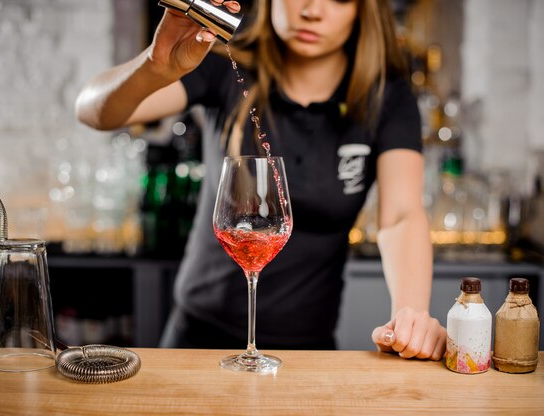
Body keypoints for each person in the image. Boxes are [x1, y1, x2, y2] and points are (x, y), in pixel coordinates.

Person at [76, 0, 446, 360]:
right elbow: (94, 112)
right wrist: (155, 66)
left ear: (364, 9)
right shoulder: (222, 62)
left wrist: (410, 316)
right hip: (199, 335)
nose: (312, 10)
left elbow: (401, 215)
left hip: (308, 347)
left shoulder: (386, 97)